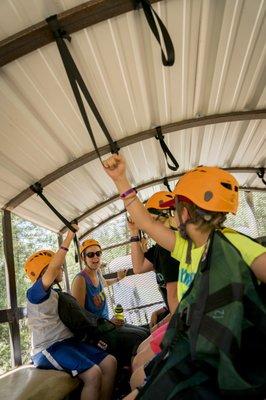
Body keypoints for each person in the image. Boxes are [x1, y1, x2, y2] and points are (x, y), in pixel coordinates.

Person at [103, 154, 266, 399]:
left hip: (221, 355)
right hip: (193, 345)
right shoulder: (186, 246)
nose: (172, 212)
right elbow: (146, 222)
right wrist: (120, 180)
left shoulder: (236, 244)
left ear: (186, 212)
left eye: (176, 205)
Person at [25, 226, 117, 400]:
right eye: (57, 267)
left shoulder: (55, 294)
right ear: (45, 271)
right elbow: (54, 268)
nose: (61, 269)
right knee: (93, 374)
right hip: (49, 348)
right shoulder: (34, 295)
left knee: (110, 362)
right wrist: (69, 238)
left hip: (68, 343)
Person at [128, 191, 179, 389]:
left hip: (183, 319)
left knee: (138, 365)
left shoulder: (171, 247)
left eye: (157, 219)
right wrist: (133, 233)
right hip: (175, 314)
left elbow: (175, 298)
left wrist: (167, 320)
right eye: (150, 221)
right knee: (140, 350)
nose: (152, 227)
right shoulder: (159, 248)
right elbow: (139, 267)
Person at [71, 239, 127, 325]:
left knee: (143, 332)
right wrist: (108, 323)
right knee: (141, 335)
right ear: (83, 258)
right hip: (97, 331)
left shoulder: (98, 272)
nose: (95, 257)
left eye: (98, 253)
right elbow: (79, 316)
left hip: (108, 324)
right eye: (90, 255)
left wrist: (118, 279)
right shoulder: (80, 280)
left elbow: (105, 283)